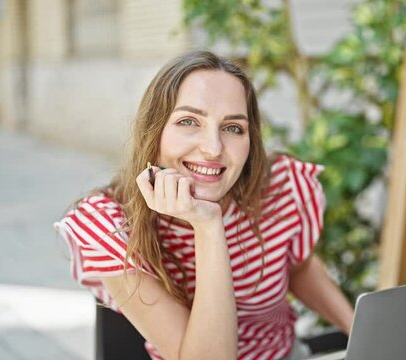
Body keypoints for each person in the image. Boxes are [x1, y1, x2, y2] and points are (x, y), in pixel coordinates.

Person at [54, 50, 354, 360]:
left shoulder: (281, 187)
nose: (213, 149)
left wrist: (360, 334)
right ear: (153, 131)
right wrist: (208, 225)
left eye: (233, 128)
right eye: (189, 121)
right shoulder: (109, 226)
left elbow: (300, 269)